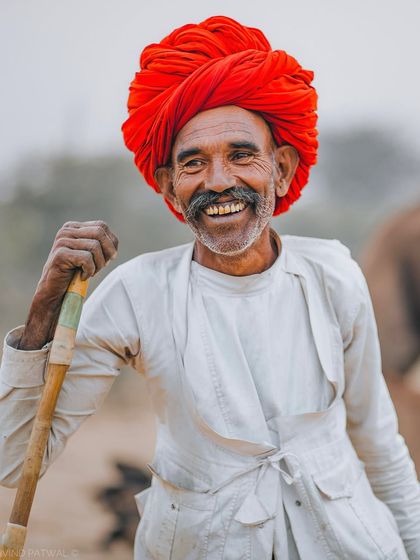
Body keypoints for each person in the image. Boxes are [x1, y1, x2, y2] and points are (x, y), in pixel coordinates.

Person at [0, 15, 419, 560]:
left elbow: (379, 444)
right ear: (171, 190)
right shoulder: (136, 293)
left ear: (283, 169)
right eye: (193, 163)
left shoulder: (333, 275)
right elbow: (13, 460)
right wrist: (42, 313)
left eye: (241, 155)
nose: (218, 181)